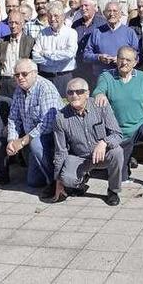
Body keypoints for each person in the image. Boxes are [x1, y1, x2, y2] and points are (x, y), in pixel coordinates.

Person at [94, 46, 143, 190]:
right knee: (121, 178)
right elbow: (99, 90)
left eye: (128, 60)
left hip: (140, 127)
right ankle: (125, 163)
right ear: (116, 60)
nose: (124, 63)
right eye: (121, 59)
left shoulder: (142, 78)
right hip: (118, 133)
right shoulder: (107, 76)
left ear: (135, 62)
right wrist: (100, 94)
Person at [51, 77, 123, 206]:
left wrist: (104, 142)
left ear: (87, 93)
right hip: (79, 157)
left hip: (102, 154)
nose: (74, 95)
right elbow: (60, 151)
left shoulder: (101, 106)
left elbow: (117, 134)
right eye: (70, 92)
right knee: (67, 179)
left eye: (79, 91)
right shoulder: (60, 118)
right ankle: (80, 182)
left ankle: (113, 191)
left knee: (117, 152)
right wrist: (58, 181)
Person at [6, 58, 62, 194]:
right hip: (32, 138)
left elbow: (48, 124)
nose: (20, 77)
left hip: (52, 137)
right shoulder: (19, 90)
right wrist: (12, 140)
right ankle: (48, 169)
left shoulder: (45, 88)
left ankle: (55, 182)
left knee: (36, 144)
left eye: (24, 74)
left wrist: (23, 141)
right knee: (33, 182)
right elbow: (13, 117)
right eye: (17, 75)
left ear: (35, 73)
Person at [84, 2, 139, 85]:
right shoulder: (97, 32)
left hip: (124, 79)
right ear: (104, 13)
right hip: (102, 78)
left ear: (121, 14)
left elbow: (137, 56)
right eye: (109, 11)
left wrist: (121, 60)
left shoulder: (129, 32)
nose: (112, 14)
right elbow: (86, 55)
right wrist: (99, 57)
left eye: (115, 11)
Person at [32, 3, 79, 95]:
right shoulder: (42, 33)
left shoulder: (71, 33)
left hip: (64, 77)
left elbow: (69, 54)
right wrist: (52, 62)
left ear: (63, 16)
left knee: (65, 105)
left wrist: (46, 53)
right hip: (45, 77)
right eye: (49, 16)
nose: (52, 19)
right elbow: (35, 55)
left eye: (56, 16)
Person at [0, 10, 35, 98]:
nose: (13, 26)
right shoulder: (2, 41)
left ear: (23, 23)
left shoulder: (30, 41)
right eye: (11, 23)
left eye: (16, 23)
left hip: (20, 81)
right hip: (3, 81)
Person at [72, 0, 106, 85]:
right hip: (79, 67)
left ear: (95, 7)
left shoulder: (103, 23)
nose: (83, 8)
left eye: (86, 5)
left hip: (96, 67)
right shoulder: (76, 24)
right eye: (81, 6)